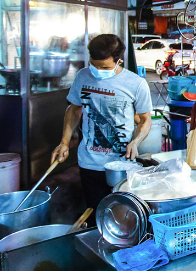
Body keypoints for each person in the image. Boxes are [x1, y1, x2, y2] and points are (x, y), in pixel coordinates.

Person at [51, 34, 153, 220]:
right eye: (94, 65)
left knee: (123, 216)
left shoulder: (136, 84)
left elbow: (145, 120)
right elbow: (74, 110)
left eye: (104, 67)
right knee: (95, 214)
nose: (98, 71)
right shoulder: (83, 76)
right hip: (89, 162)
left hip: (122, 164)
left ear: (119, 60)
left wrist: (136, 141)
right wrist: (64, 142)